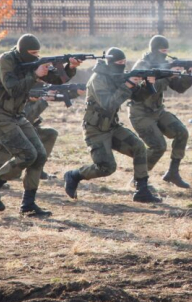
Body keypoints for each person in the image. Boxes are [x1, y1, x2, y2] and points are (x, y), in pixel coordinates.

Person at [0, 34, 79, 217]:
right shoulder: (6, 61)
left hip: (17, 115)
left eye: (37, 53)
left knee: (39, 154)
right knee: (27, 155)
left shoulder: (31, 62)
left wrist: (70, 67)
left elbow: (57, 80)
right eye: (32, 53)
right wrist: (35, 75)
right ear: (23, 51)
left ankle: (28, 204)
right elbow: (13, 88)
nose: (35, 56)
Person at [63, 48, 161, 204]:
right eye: (119, 63)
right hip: (95, 130)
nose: (122, 65)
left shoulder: (119, 77)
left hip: (112, 127)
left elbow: (138, 98)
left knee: (138, 147)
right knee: (106, 167)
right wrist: (128, 84)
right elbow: (108, 104)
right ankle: (74, 175)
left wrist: (147, 85)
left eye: (124, 62)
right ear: (110, 63)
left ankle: (142, 190)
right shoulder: (98, 79)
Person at [128, 35, 192, 188]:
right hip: (140, 114)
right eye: (161, 51)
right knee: (158, 146)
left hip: (157, 112)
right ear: (154, 50)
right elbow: (142, 91)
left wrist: (189, 75)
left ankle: (173, 173)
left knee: (182, 132)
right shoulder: (142, 65)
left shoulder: (166, 65)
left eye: (166, 51)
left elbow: (179, 88)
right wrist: (168, 75)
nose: (164, 55)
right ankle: (138, 180)